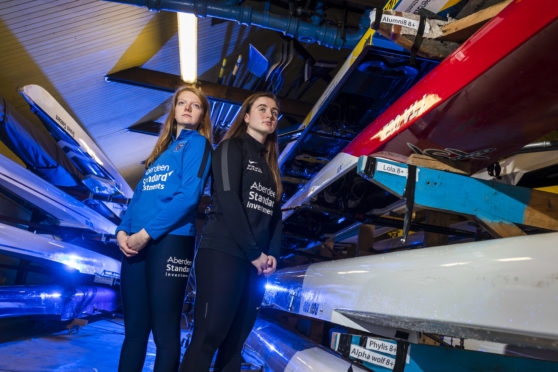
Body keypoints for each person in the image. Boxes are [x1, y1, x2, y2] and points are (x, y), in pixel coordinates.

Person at [179, 92, 283, 372]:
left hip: (255, 264)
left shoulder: (271, 166)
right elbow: (227, 199)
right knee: (209, 336)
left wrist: (272, 254)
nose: (270, 115)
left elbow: (275, 216)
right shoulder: (230, 148)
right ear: (246, 117)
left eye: (274, 111)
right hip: (223, 253)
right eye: (262, 109)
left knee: (235, 344)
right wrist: (254, 253)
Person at [116, 85, 212, 372]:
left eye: (194, 105)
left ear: (202, 113)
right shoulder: (160, 153)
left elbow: (189, 196)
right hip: (134, 243)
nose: (187, 108)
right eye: (182, 103)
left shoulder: (199, 145)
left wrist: (145, 234)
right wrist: (122, 232)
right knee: (134, 332)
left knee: (165, 333)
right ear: (174, 110)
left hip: (170, 241)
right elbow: (138, 199)